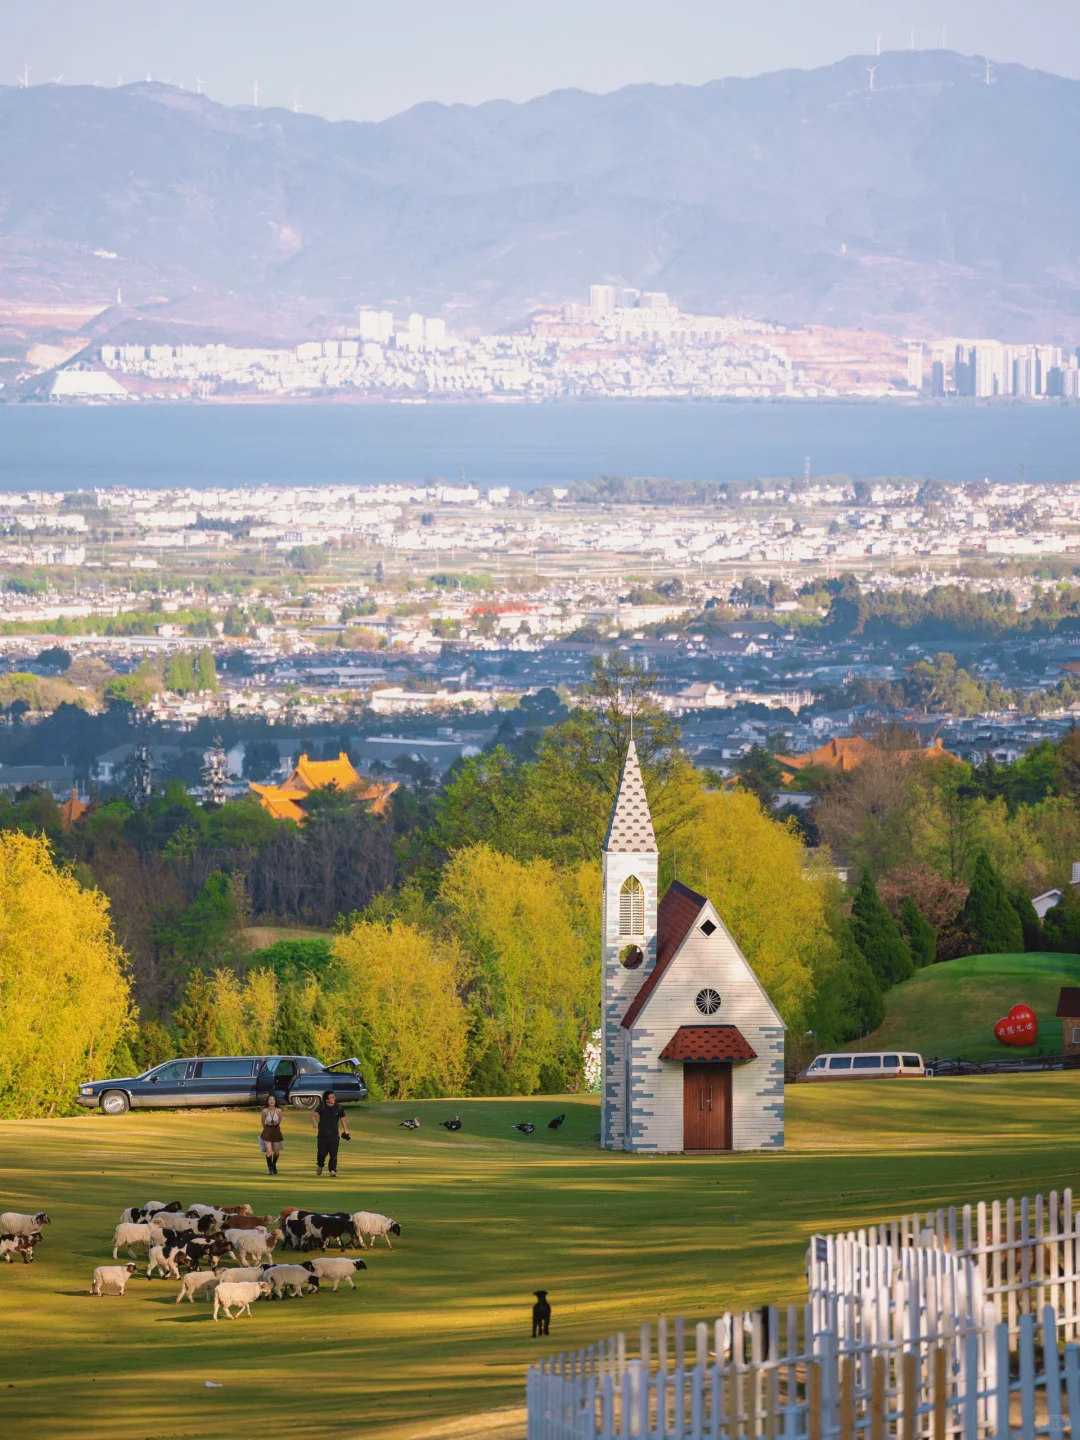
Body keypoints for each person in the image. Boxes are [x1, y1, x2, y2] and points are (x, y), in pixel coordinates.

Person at [311, 1090, 350, 1176]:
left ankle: (332, 1170)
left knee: (333, 1154)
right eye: (331, 1097)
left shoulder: (338, 1107)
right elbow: (313, 1115)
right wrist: (314, 1122)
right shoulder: (322, 1106)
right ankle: (320, 1165)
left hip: (334, 1135)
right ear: (326, 1099)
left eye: (334, 1097)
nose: (333, 1098)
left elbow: (343, 1118)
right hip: (322, 1135)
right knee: (321, 1153)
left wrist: (345, 1129)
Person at [260, 1093, 284, 1175]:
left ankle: (274, 1165)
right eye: (270, 1099)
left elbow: (279, 1121)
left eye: (273, 1099)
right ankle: (270, 1168)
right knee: (269, 1152)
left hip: (276, 1130)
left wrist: (275, 1126)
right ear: (267, 1101)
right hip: (267, 1130)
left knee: (276, 1152)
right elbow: (263, 1122)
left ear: (275, 1101)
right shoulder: (264, 1111)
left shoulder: (279, 1111)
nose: (272, 1101)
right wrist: (267, 1129)